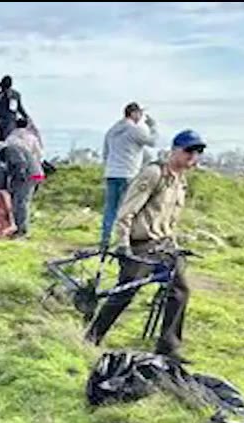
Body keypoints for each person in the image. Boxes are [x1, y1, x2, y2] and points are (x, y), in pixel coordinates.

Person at [86, 130, 206, 362]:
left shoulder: (180, 181)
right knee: (125, 292)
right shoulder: (154, 174)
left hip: (164, 244)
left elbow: (169, 219)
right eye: (189, 150)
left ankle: (168, 348)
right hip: (140, 244)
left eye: (198, 152)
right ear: (175, 150)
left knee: (180, 291)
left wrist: (174, 243)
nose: (194, 156)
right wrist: (122, 245)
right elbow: (126, 212)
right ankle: (92, 337)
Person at [101, 102, 159, 246]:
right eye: (139, 113)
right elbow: (153, 142)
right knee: (127, 209)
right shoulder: (134, 130)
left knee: (110, 208)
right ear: (133, 113)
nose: (141, 116)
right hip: (128, 173)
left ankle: (105, 238)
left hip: (111, 173)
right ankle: (123, 240)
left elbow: (105, 153)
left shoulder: (112, 131)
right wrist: (153, 126)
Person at [0, 142, 38, 237]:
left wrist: (18, 178)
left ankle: (22, 231)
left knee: (21, 203)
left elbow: (20, 163)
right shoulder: (16, 148)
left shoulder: (10, 150)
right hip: (35, 174)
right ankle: (18, 227)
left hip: (29, 176)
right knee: (18, 202)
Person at [0, 75, 29, 140]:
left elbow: (18, 108)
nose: (3, 89)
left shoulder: (14, 96)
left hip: (10, 123)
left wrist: (26, 117)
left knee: (6, 137)